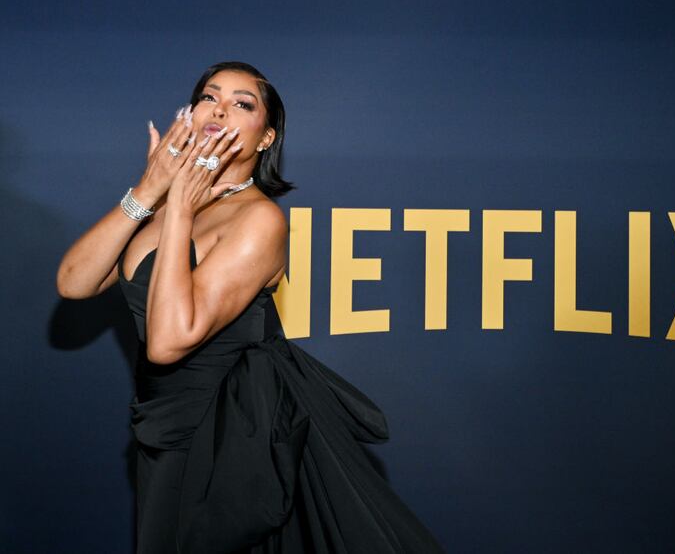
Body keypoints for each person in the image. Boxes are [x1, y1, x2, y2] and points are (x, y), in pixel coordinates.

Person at [56, 61, 445, 554]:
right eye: (209, 97)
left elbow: (169, 341)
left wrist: (179, 211)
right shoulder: (166, 203)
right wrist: (150, 189)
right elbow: (75, 282)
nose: (219, 109)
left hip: (229, 439)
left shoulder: (259, 220)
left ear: (266, 138)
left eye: (242, 104)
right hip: (162, 426)